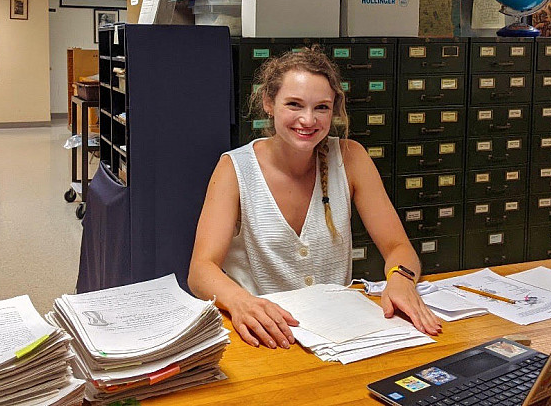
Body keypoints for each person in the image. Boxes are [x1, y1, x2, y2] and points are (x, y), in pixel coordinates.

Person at [188, 46, 442, 350]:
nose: (308, 120)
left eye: (321, 107)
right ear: (269, 103)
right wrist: (241, 302)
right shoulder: (234, 168)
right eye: (294, 104)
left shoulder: (351, 158)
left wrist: (400, 278)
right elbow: (201, 270)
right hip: (263, 337)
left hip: (340, 336)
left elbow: (398, 247)